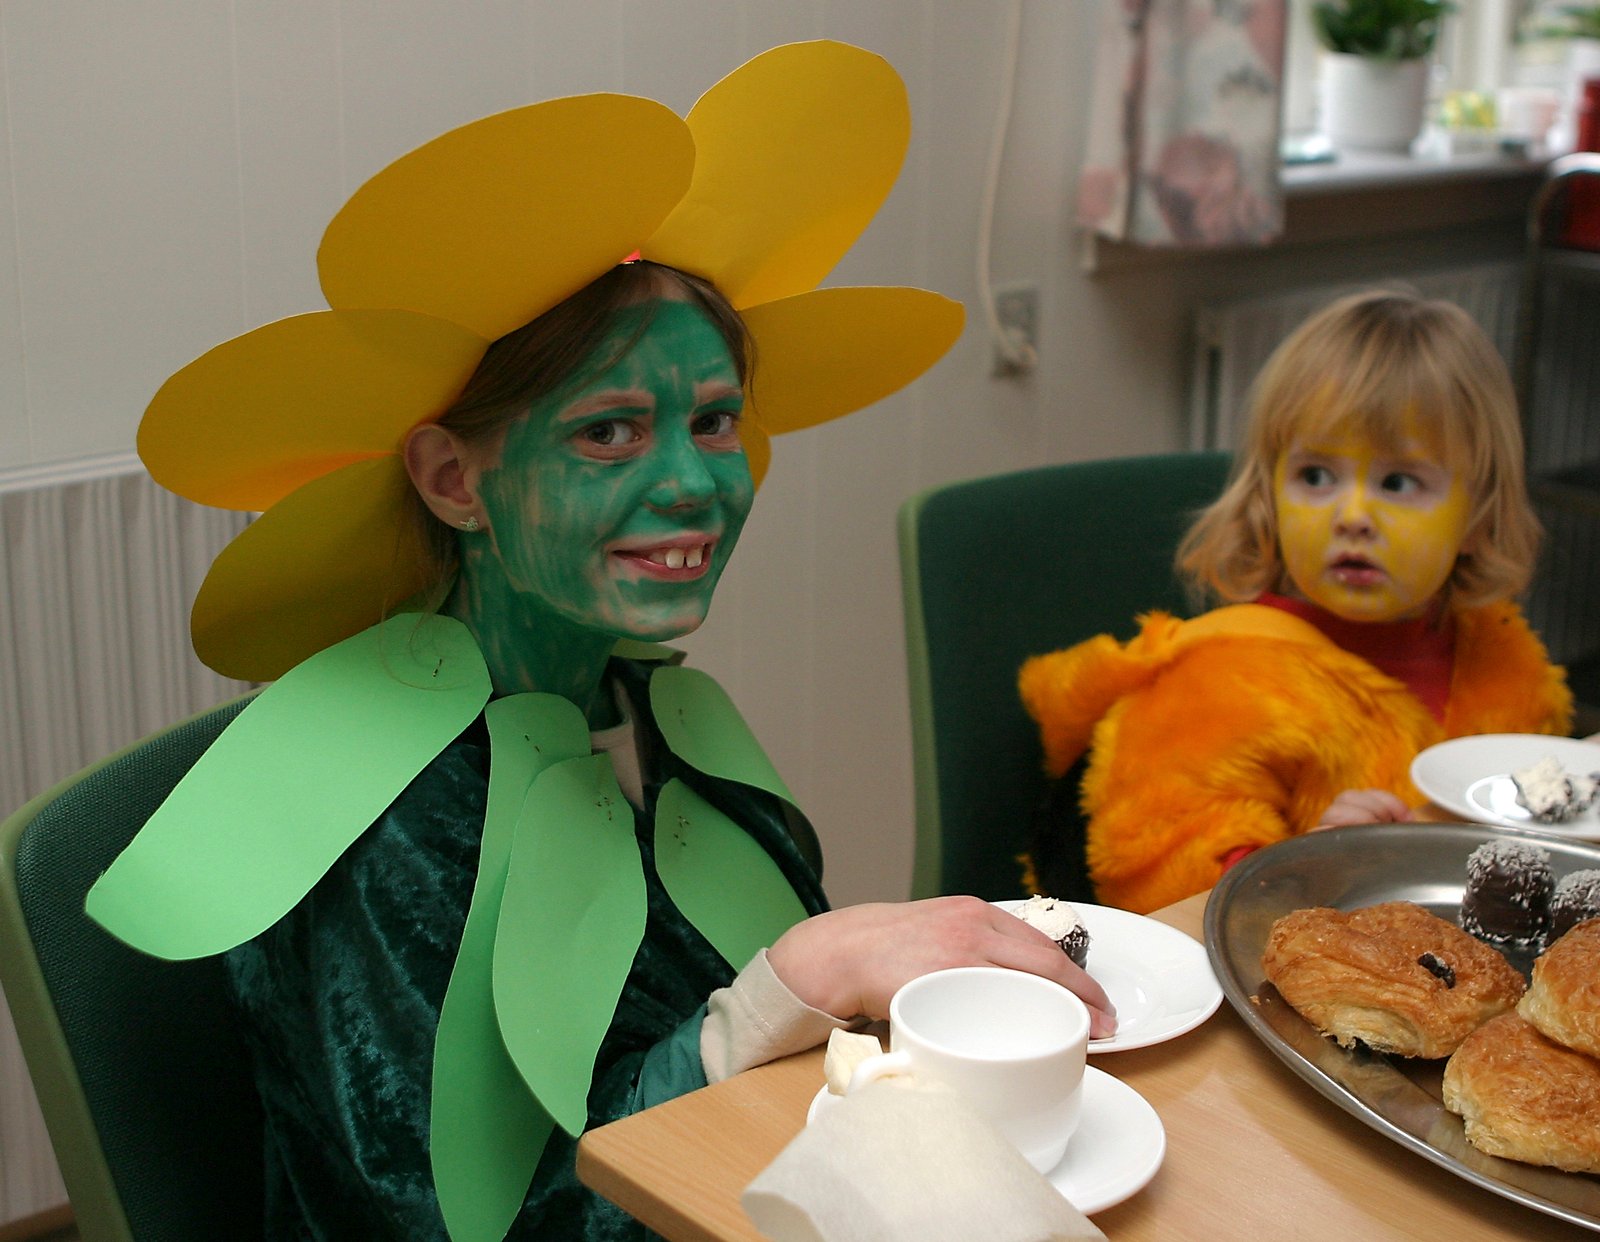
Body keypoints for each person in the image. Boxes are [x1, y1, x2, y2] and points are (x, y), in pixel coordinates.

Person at [85, 43, 1113, 1242]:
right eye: (611, 432)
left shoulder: (653, 709)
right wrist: (795, 983)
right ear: (453, 478)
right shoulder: (388, 821)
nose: (694, 484)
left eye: (715, 421)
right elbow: (468, 1223)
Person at [1019, 289, 1574, 916]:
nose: (1353, 516)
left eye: (1398, 482)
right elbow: (1167, 888)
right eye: (1316, 476)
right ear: (1268, 497)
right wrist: (1311, 866)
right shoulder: (1220, 684)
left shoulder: (1503, 663)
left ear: (1477, 513)